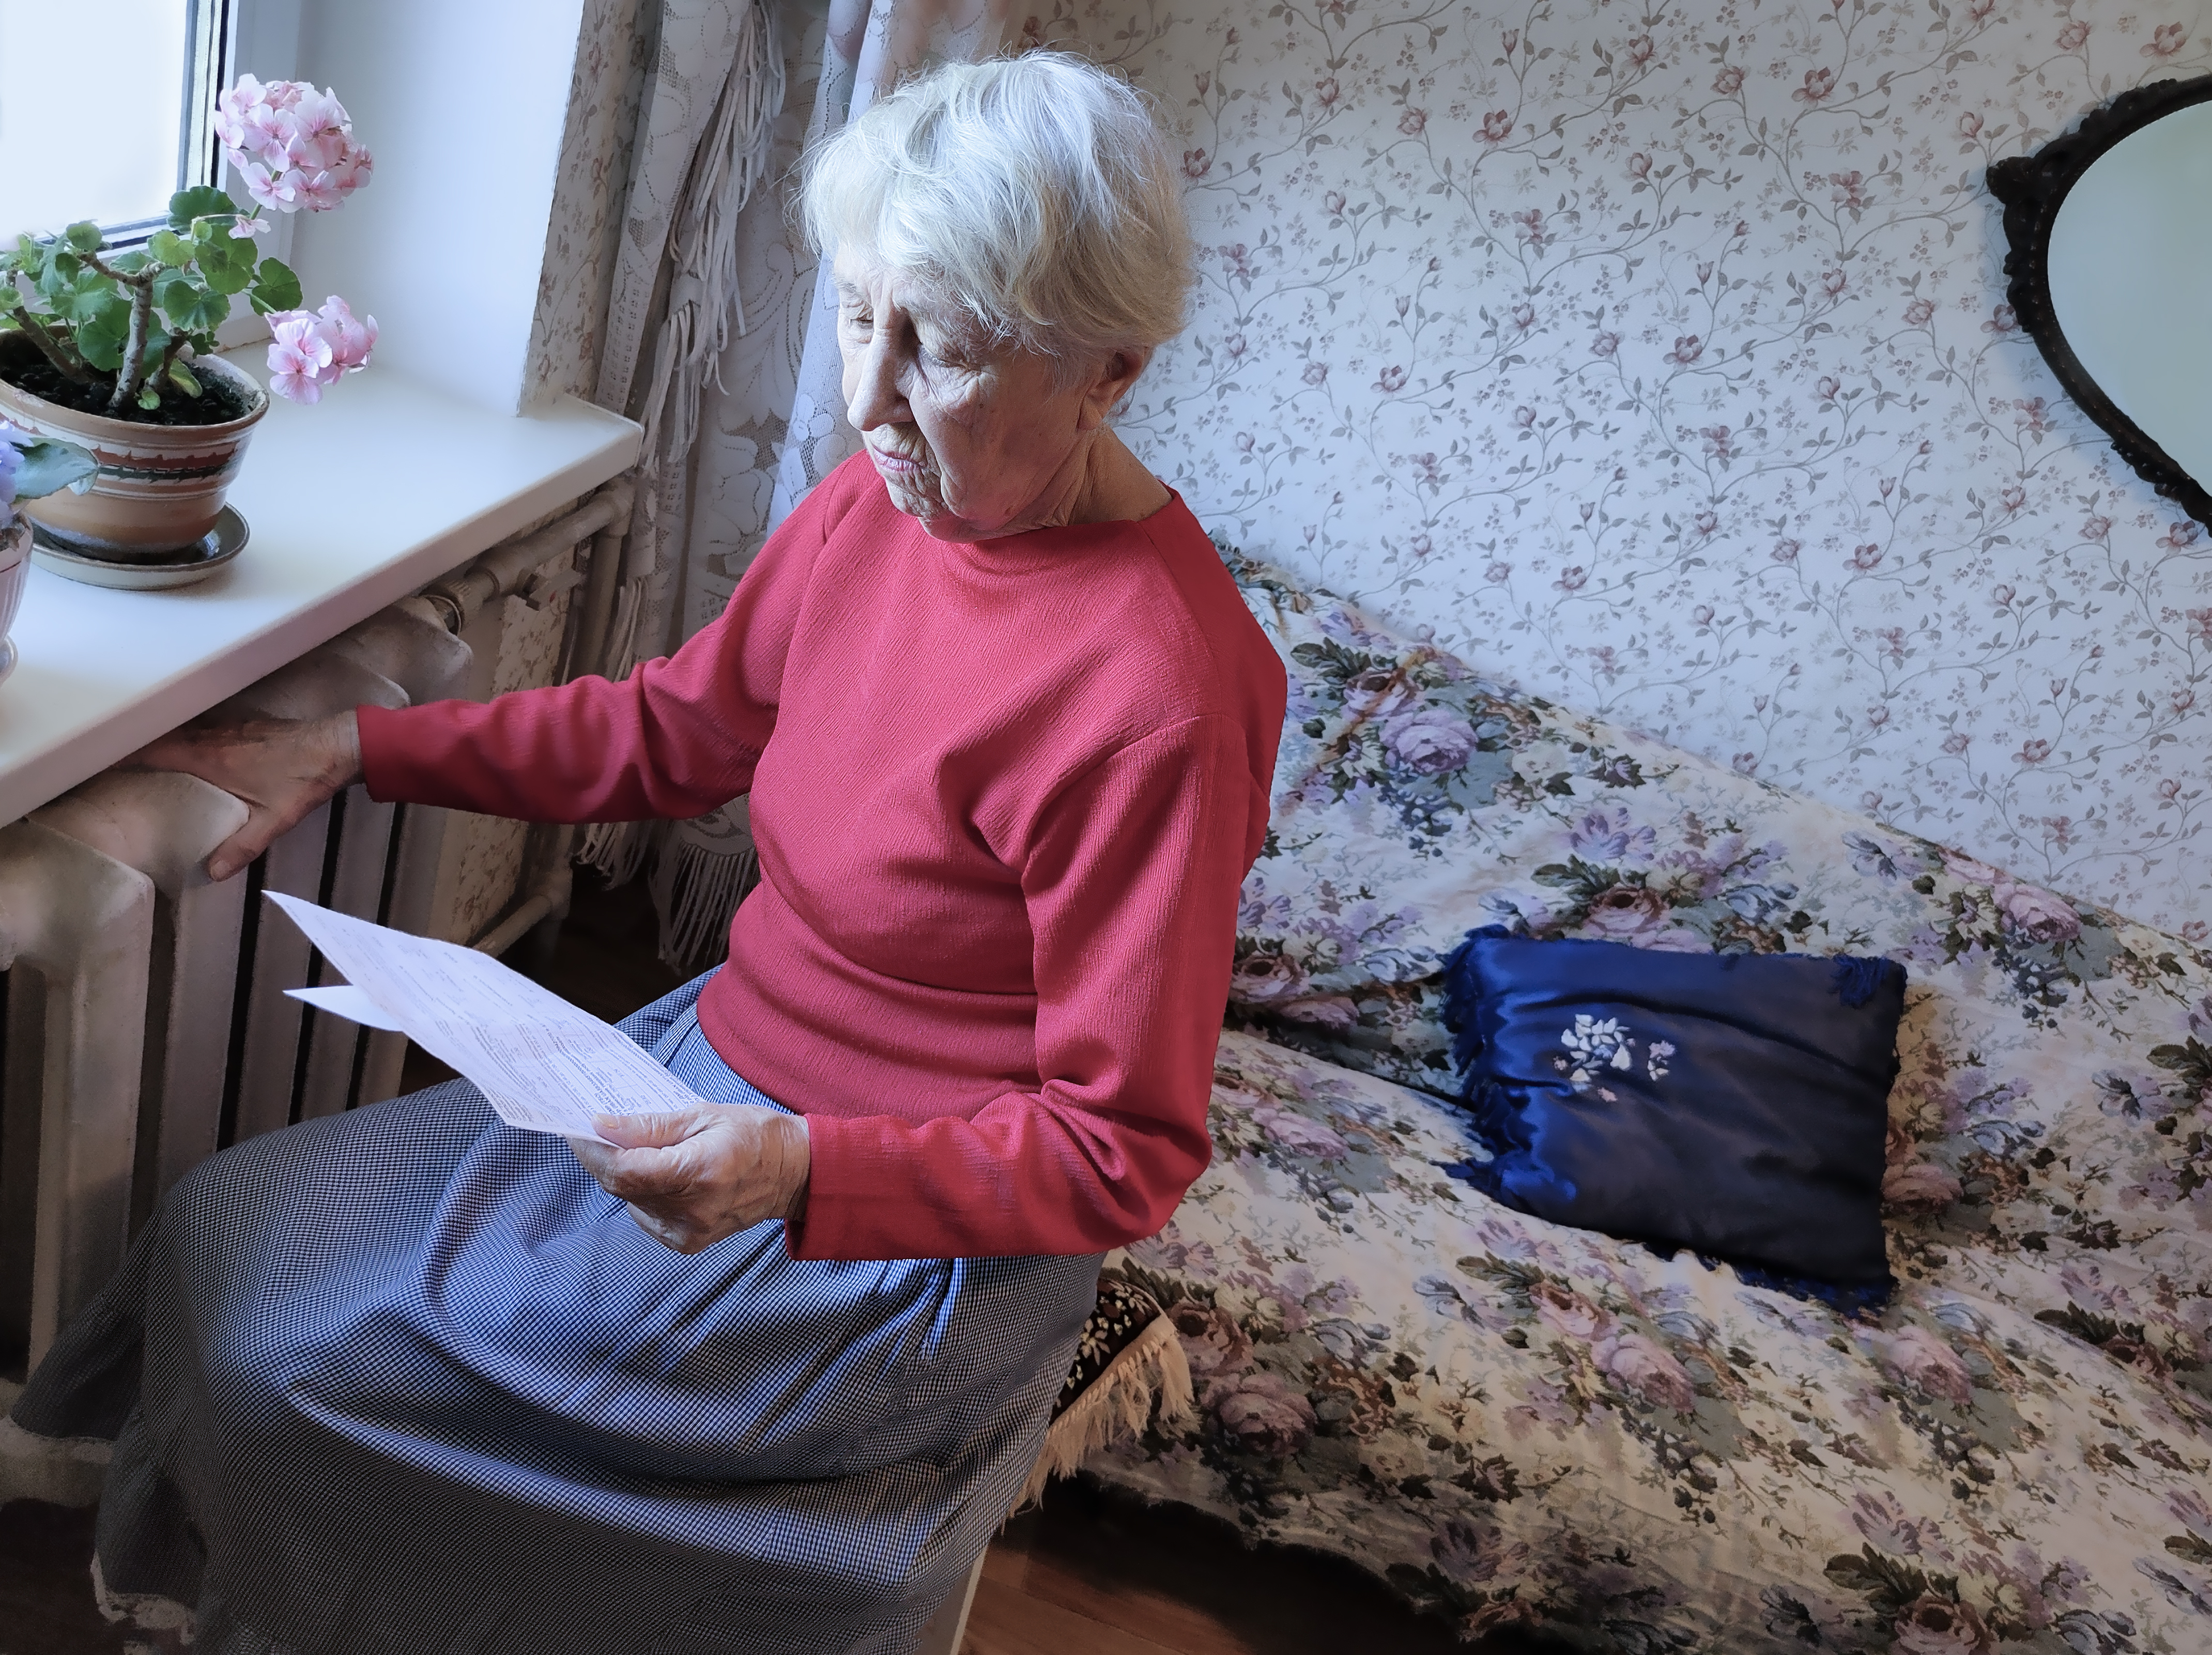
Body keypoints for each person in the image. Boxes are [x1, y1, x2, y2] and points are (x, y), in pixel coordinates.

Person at [10, 53, 1286, 1655]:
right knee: (233, 1221)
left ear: (1113, 369)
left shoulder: (1157, 698)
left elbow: (1125, 1149)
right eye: (855, 315)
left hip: (897, 1231)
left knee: (306, 1368)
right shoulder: (874, 507)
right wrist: (353, 742)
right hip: (720, 1084)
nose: (864, 397)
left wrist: (809, 1170)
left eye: (940, 351)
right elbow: (670, 732)